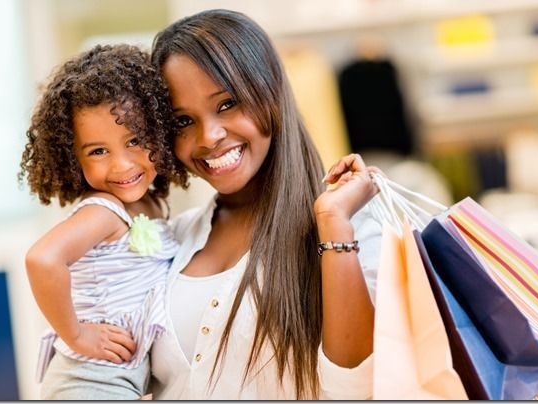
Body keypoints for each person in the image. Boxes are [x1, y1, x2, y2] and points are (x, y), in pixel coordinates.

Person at [146, 9, 382, 399]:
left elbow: (356, 389)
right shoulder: (173, 239)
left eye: (226, 105)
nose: (209, 136)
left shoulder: (355, 227)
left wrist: (334, 222)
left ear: (270, 91)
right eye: (183, 121)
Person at [18, 44, 187, 400]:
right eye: (98, 151)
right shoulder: (104, 209)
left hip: (120, 382)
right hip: (87, 382)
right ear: (71, 156)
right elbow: (43, 260)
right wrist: (76, 335)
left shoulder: (150, 204)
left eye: (136, 141)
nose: (122, 165)